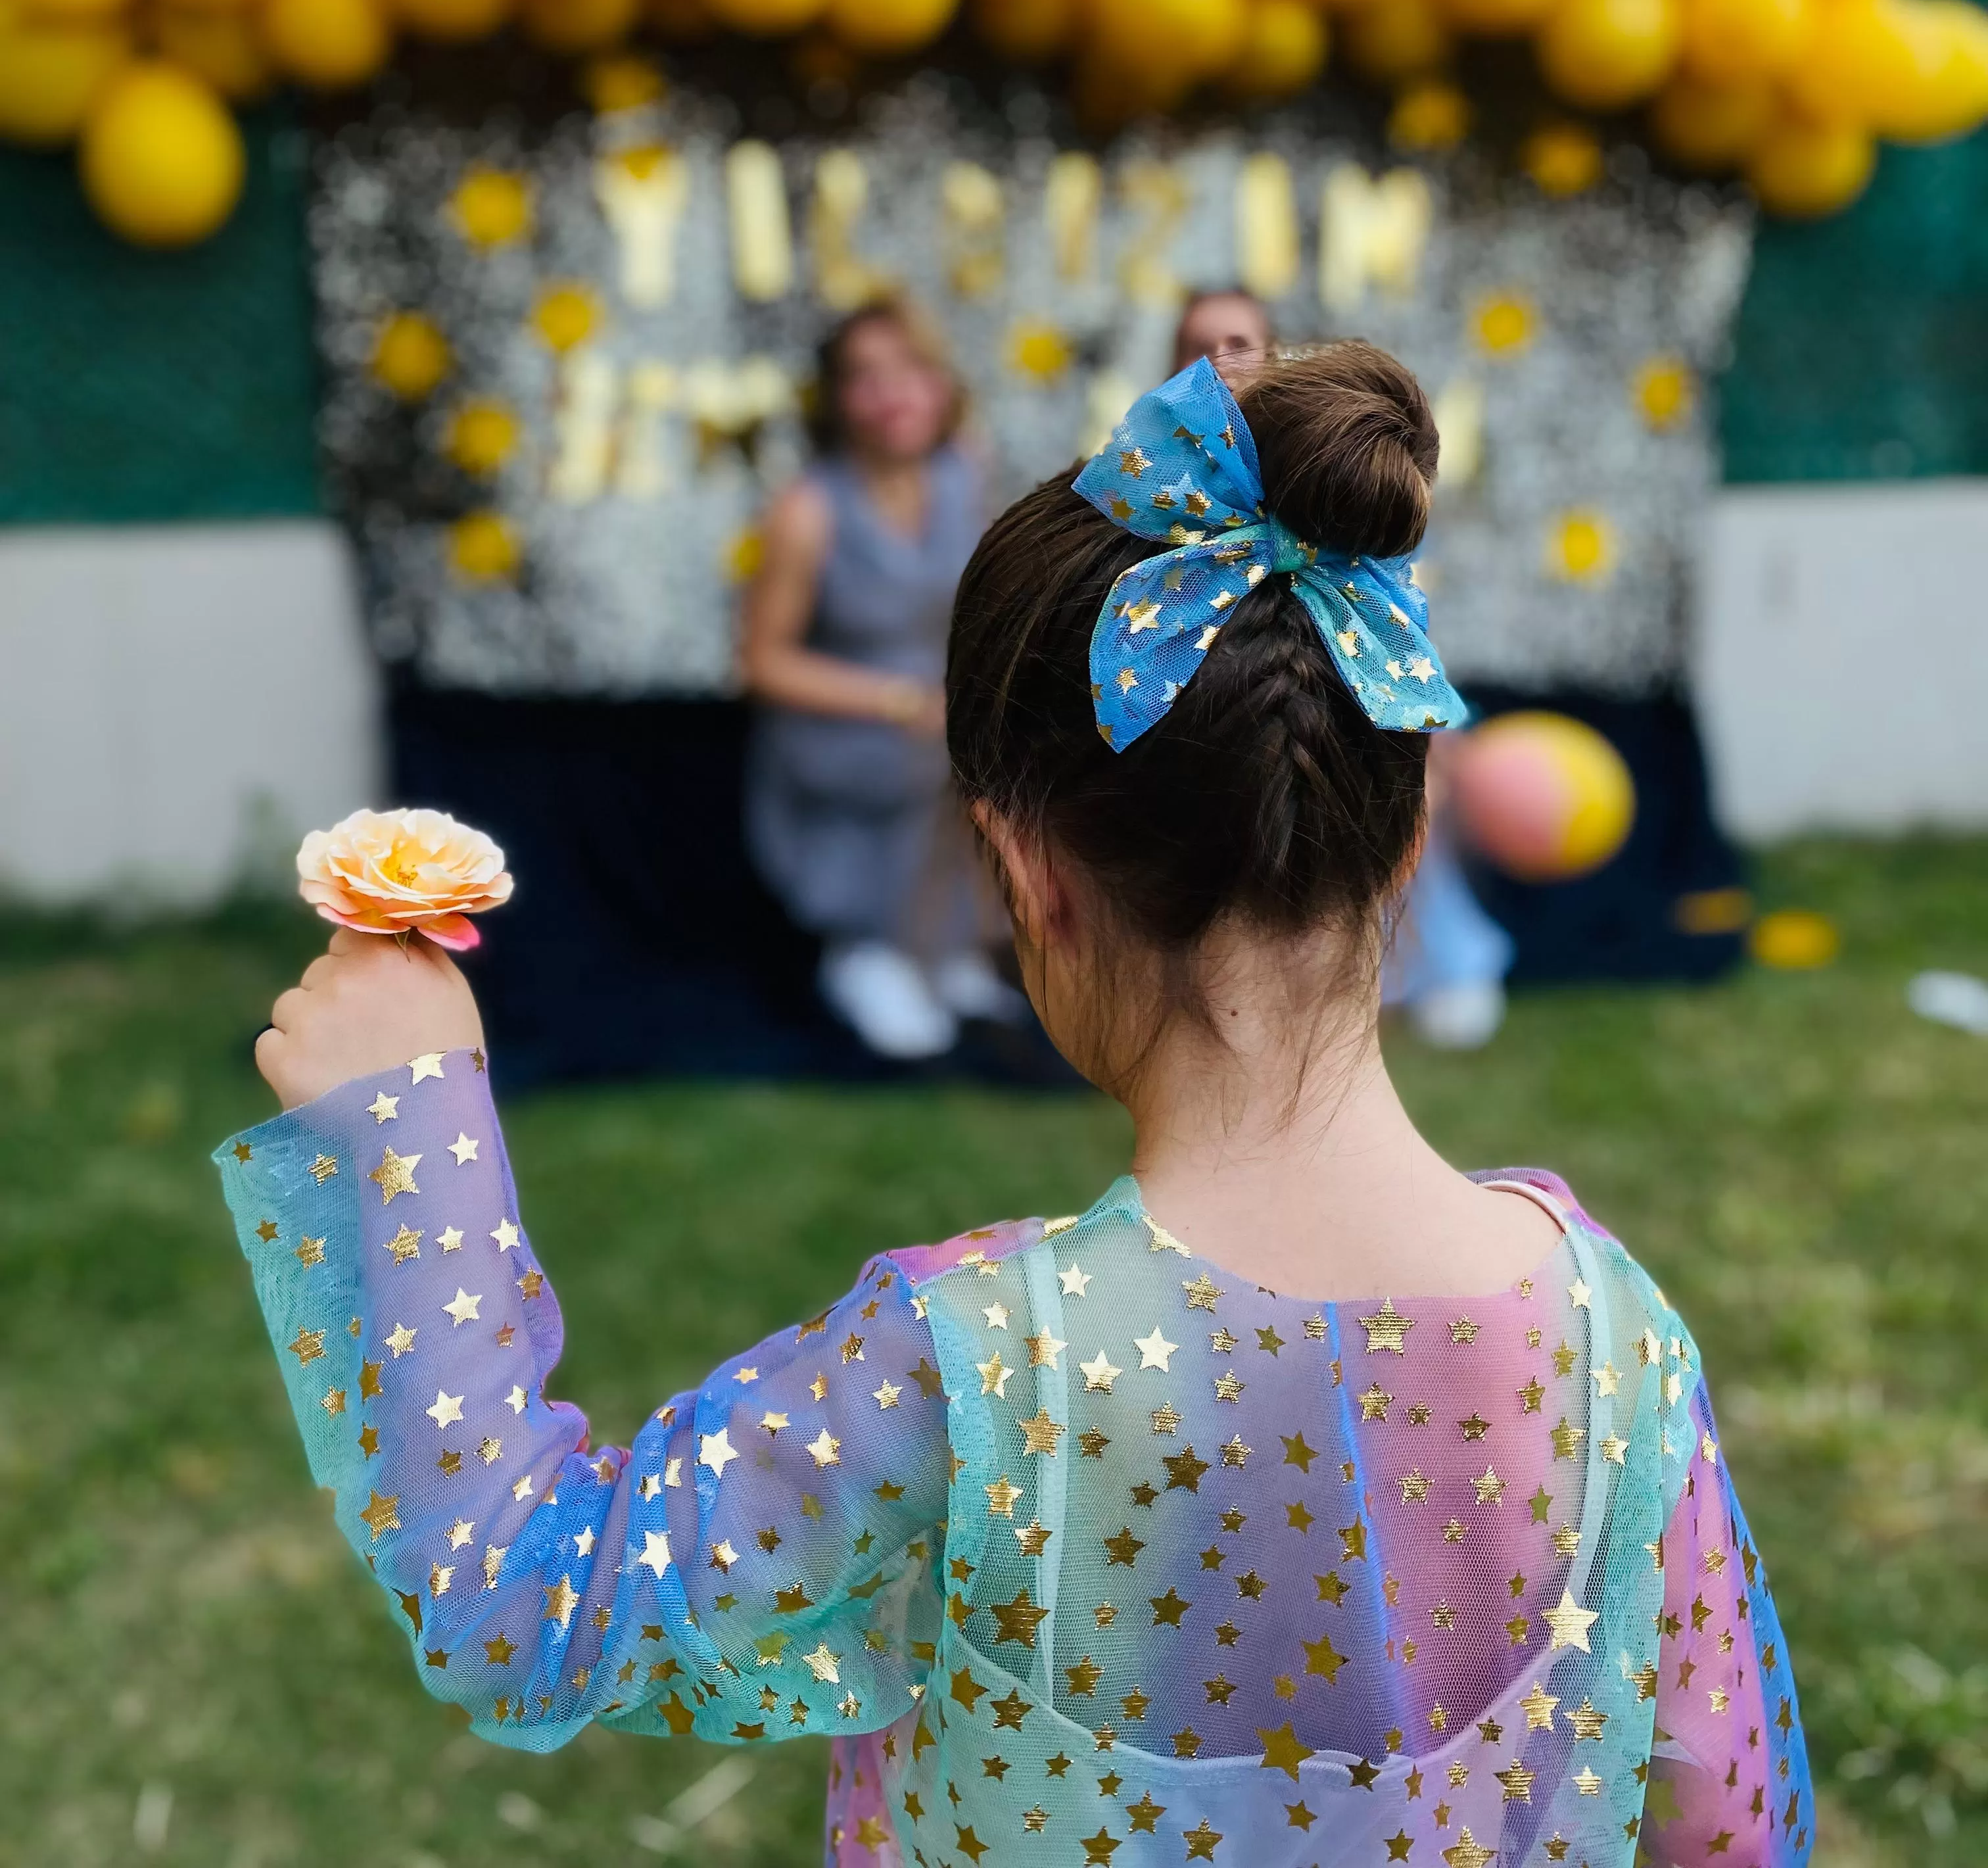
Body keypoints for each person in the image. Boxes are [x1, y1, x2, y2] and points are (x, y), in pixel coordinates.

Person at [224, 344, 1810, 1868]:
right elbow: (1724, 1824)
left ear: (1028, 875)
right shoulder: (1619, 1336)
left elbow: (526, 1607)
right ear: (1405, 845)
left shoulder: (973, 1363)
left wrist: (405, 1141)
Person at [1173, 287, 1514, 1049]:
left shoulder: (1336, 461)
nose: (1220, 361)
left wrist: (1433, 725)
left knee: (1411, 787)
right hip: (1225, 699)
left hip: (1355, 683)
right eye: (1200, 344)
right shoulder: (1159, 480)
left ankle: (1444, 962)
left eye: (1241, 343)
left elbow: (1395, 605)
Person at [740, 295, 1019, 1060]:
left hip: (938, 706)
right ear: (835, 399)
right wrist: (897, 701)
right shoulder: (809, 510)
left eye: (912, 369)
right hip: (846, 724)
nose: (894, 393)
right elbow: (763, 663)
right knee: (928, 753)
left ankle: (946, 946)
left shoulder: (965, 472)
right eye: (867, 377)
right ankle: (869, 954)